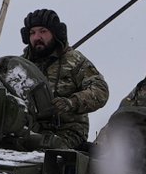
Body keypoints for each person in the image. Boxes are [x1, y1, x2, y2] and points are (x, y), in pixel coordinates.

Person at [19, 9, 109, 149]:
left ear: (55, 34)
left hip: (67, 131)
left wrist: (71, 102)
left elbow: (100, 90)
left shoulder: (74, 61)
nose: (37, 37)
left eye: (43, 31)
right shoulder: (21, 65)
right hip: (29, 130)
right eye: (32, 33)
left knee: (47, 153)